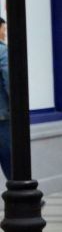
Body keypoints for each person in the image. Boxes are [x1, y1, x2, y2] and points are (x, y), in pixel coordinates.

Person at [0, 17, 10, 180]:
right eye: (4, 29)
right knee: (9, 156)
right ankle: (19, 191)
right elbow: (9, 80)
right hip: (2, 114)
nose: (5, 33)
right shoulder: (3, 51)